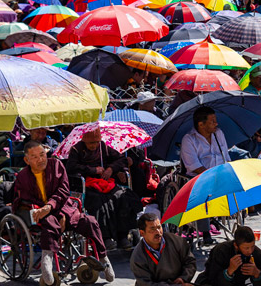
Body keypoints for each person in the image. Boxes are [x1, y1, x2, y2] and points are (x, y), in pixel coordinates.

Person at [15, 141, 114, 285]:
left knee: (90, 222)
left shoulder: (56, 166)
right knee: (49, 223)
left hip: (62, 207)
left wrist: (54, 210)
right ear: (27, 160)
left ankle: (104, 258)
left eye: (42, 154)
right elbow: (22, 199)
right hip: (40, 213)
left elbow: (63, 191)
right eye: (34, 157)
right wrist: (39, 210)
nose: (40, 159)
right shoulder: (22, 177)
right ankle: (47, 260)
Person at [65, 123, 141, 250]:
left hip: (106, 182)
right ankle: (105, 237)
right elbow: (71, 168)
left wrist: (111, 169)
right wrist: (92, 170)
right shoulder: (76, 150)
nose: (94, 146)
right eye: (91, 143)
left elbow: (121, 159)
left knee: (122, 197)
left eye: (96, 142)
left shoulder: (104, 147)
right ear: (84, 141)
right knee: (99, 202)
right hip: (88, 184)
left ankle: (122, 235)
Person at [180, 105, 230, 245]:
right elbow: (193, 165)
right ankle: (205, 230)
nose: (216, 123)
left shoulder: (218, 134)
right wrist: (211, 175)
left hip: (220, 173)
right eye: (212, 121)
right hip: (200, 177)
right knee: (203, 189)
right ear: (201, 124)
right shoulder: (189, 139)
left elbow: (225, 156)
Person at [129, 212, 196, 286]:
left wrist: (183, 278)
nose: (158, 232)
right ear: (142, 233)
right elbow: (146, 283)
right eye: (152, 229)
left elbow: (190, 262)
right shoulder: (138, 256)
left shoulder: (176, 241)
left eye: (159, 227)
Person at [196, 226, 261, 286]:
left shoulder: (257, 253)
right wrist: (228, 272)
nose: (250, 251)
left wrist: (257, 274)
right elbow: (212, 278)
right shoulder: (221, 251)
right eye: (246, 248)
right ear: (236, 245)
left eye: (252, 246)